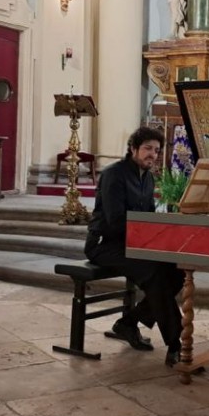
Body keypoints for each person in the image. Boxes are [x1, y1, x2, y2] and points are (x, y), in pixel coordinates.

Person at [85, 126, 185, 366]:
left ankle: (127, 323)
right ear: (133, 149)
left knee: (176, 272)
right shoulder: (114, 175)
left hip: (133, 243)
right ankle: (176, 344)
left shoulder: (148, 178)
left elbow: (147, 215)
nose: (153, 154)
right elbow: (115, 221)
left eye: (157, 150)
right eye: (147, 148)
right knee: (156, 274)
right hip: (105, 244)